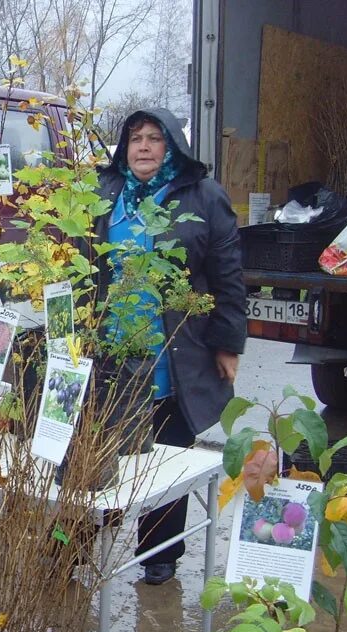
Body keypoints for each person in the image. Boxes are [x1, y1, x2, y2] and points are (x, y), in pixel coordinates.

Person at [94, 108, 246, 585]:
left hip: (173, 353)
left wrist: (226, 344)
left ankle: (159, 552)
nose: (143, 147)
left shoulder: (202, 197)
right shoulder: (105, 194)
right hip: (110, 350)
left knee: (166, 455)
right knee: (94, 456)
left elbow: (227, 277)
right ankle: (73, 547)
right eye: (135, 138)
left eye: (154, 139)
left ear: (172, 147)